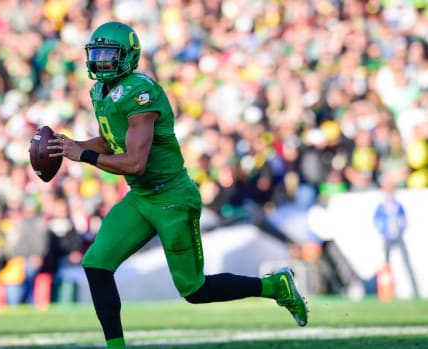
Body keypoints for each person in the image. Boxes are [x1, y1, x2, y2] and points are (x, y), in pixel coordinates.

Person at [47, 21, 308, 349]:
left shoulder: (141, 93)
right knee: (96, 263)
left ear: (128, 56)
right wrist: (73, 144)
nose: (100, 61)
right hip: (141, 197)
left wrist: (80, 154)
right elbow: (110, 140)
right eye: (96, 54)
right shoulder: (100, 91)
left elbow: (134, 163)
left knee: (195, 290)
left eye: (108, 55)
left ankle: (274, 286)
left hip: (172, 198)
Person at [373, 178, 419, 297]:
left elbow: (403, 219)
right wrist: (384, 232)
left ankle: (415, 290)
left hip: (398, 237)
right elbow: (377, 221)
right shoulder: (382, 206)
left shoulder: (397, 205)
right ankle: (386, 292)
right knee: (386, 265)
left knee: (406, 263)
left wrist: (400, 230)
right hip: (387, 238)